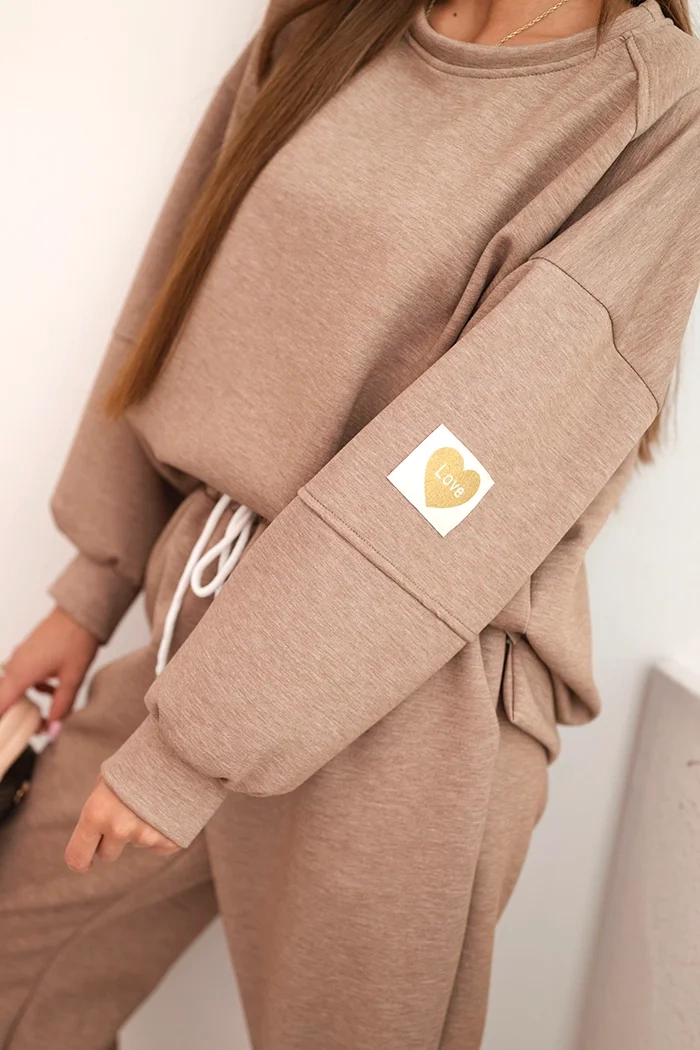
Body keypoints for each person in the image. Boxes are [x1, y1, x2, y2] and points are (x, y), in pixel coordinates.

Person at [0, 0, 699, 1046]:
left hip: (413, 704)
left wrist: (198, 748)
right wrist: (94, 584)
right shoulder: (328, 24)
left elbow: (473, 460)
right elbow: (176, 286)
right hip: (199, 624)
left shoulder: (653, 113)